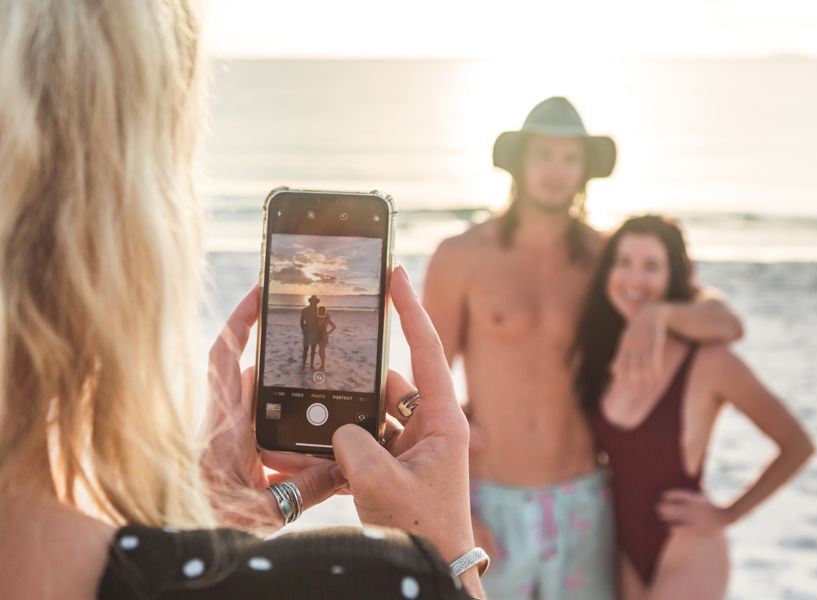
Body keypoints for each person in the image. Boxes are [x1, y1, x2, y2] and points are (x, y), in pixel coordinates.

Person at [0, 2, 486, 598]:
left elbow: (324, 323)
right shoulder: (381, 581)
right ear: (128, 231)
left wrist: (206, 535)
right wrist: (446, 556)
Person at [422, 97, 745, 600]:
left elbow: (723, 321)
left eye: (570, 158)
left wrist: (662, 314)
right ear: (521, 161)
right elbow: (426, 385)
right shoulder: (462, 256)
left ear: (585, 171)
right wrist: (455, 512)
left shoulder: (606, 258)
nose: (556, 170)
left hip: (586, 502)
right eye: (544, 155)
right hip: (487, 503)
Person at [572, 215, 815, 600]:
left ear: (674, 276)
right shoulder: (602, 353)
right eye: (623, 262)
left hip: (687, 551)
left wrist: (728, 513)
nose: (634, 279)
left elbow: (797, 444)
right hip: (622, 552)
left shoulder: (709, 361)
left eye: (651, 266)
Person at [300, 295, 321, 369]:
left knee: (313, 349)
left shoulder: (319, 311)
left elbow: (321, 322)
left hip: (315, 331)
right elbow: (301, 322)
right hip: (307, 331)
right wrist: (303, 331)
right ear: (310, 301)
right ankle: (303, 364)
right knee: (305, 349)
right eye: (313, 301)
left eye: (315, 302)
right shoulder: (305, 310)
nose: (314, 303)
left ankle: (311, 365)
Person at [315, 306, 337, 371]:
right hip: (318, 335)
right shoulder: (317, 317)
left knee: (322, 350)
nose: (321, 311)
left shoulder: (327, 318)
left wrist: (328, 333)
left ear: (324, 311)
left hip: (324, 336)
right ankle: (322, 364)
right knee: (320, 351)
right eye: (319, 310)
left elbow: (334, 327)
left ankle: (322, 365)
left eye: (322, 310)